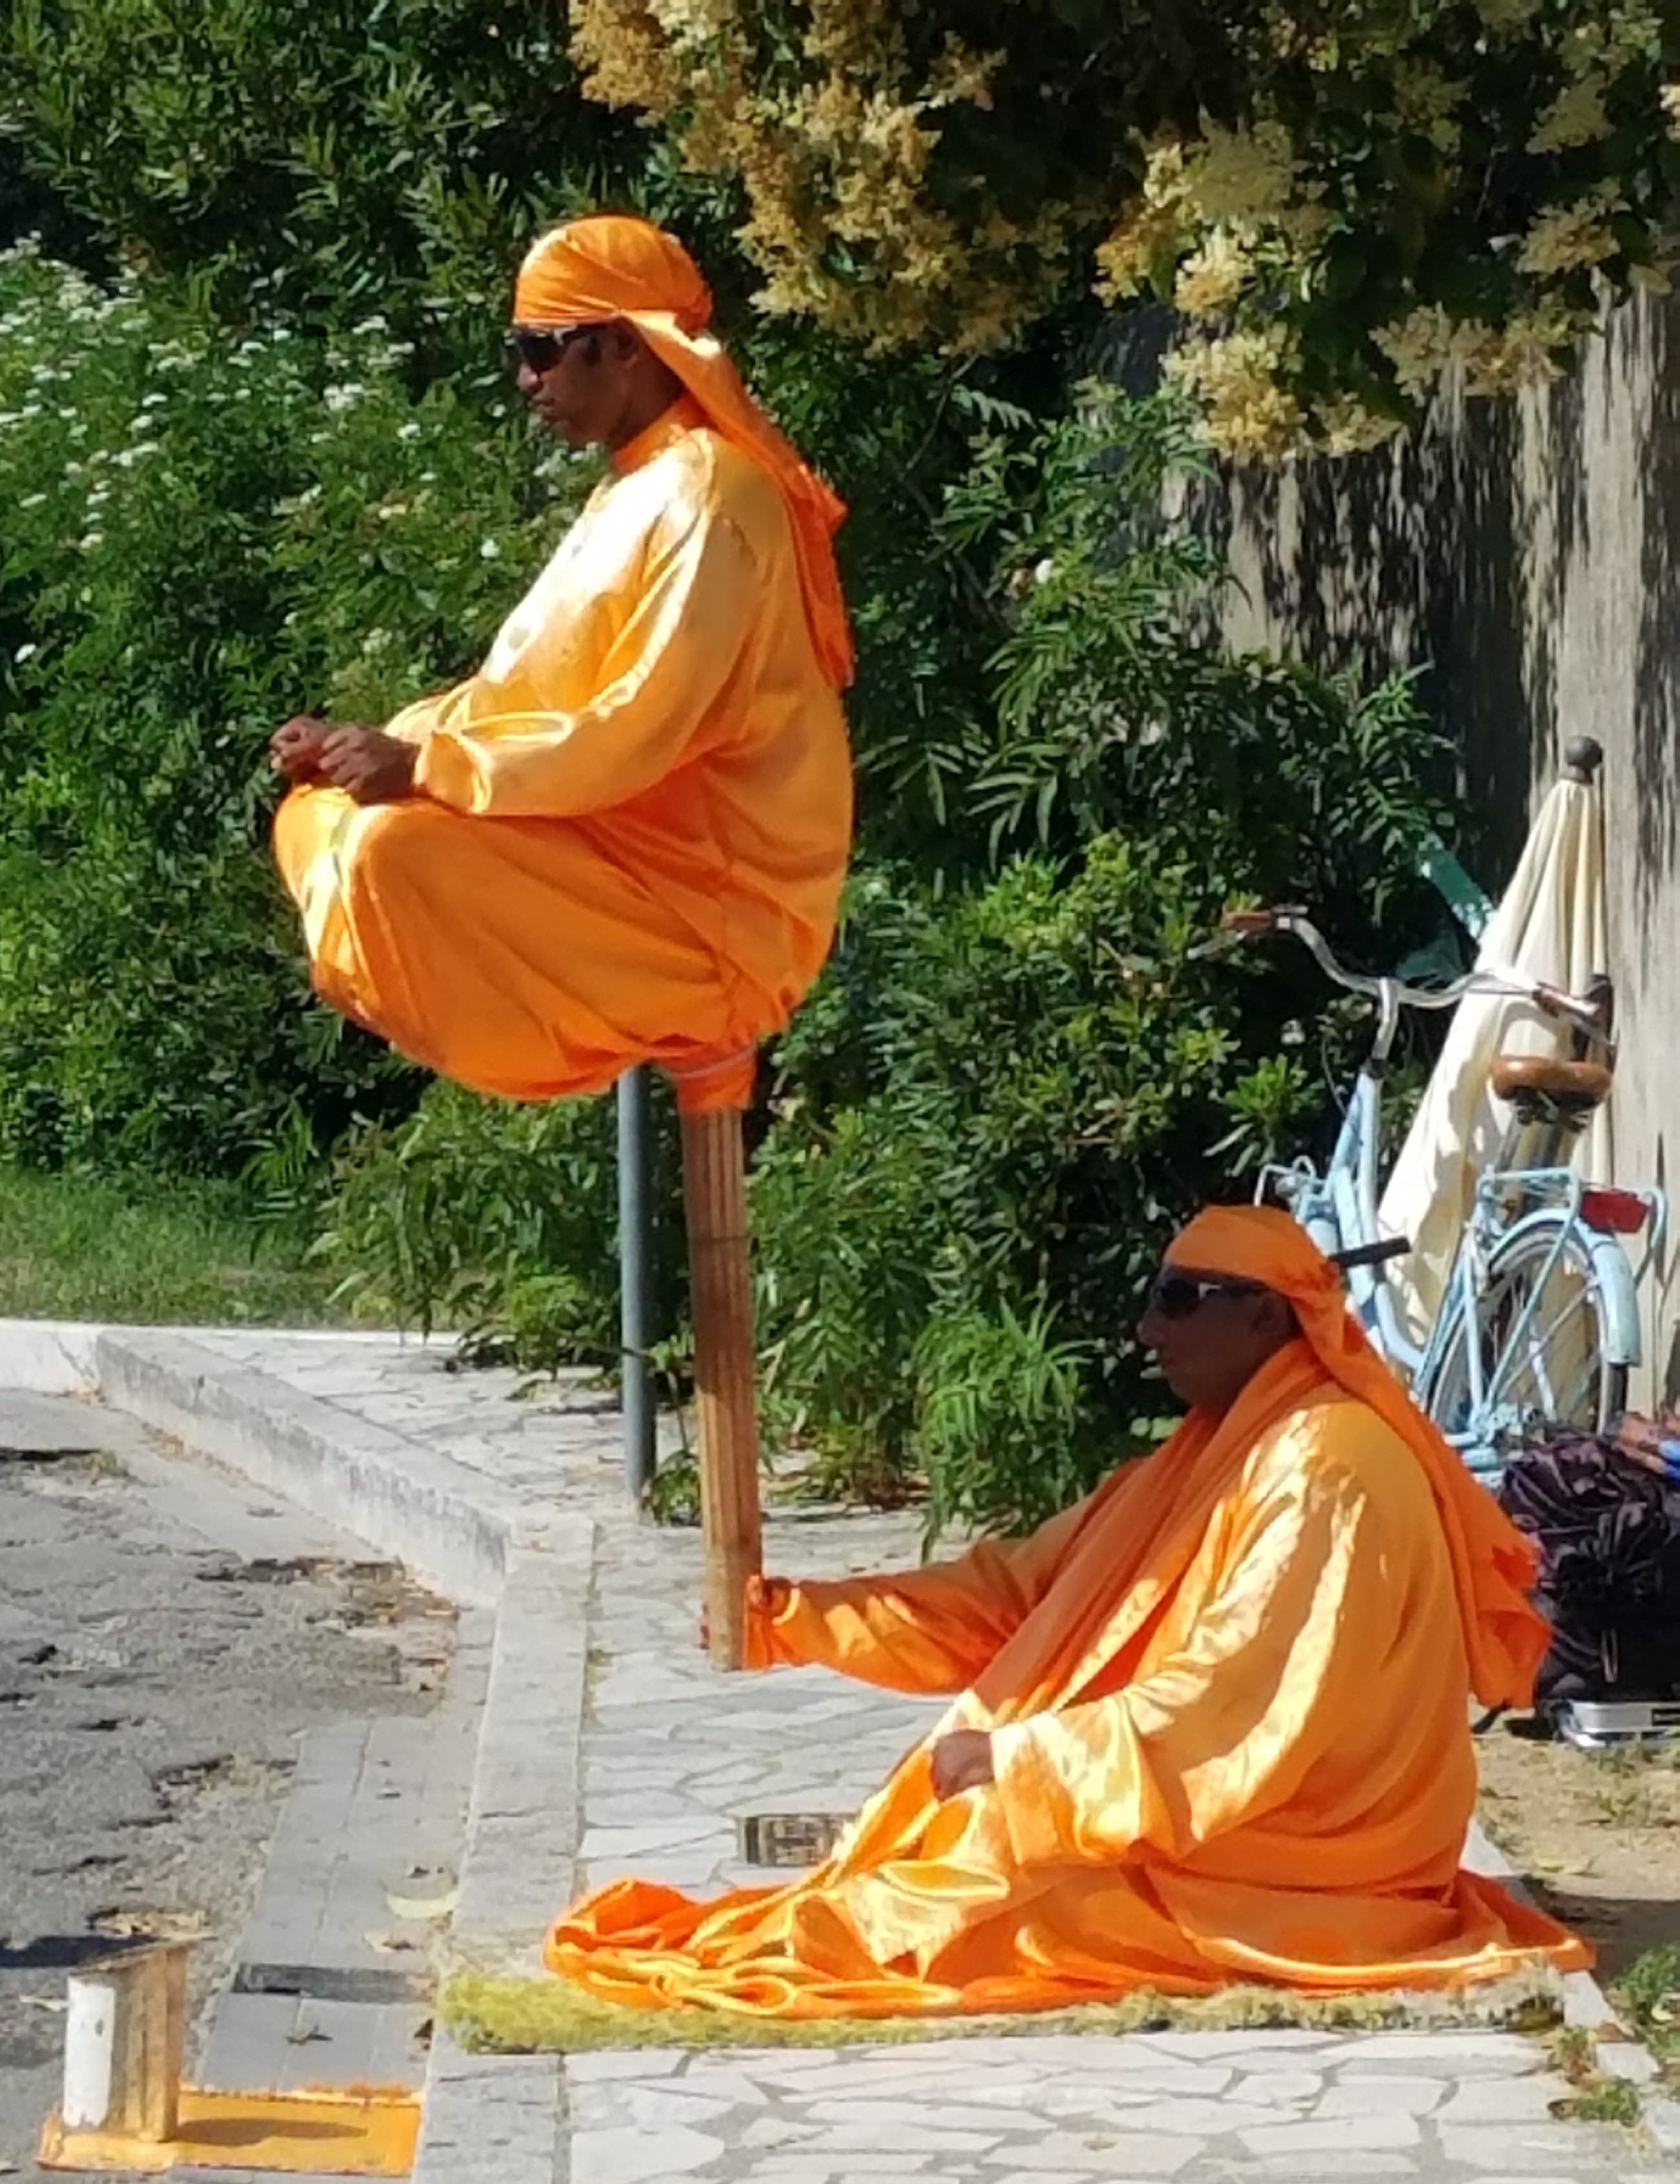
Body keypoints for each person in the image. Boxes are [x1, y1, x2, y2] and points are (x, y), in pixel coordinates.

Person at [546, 1205, 1591, 2017]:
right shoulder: (1203, 1458)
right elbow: (1011, 1602)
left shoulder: (1331, 1465)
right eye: (1157, 1296)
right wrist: (797, 1616)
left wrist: (1027, 1760)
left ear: (1268, 1315)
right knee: (930, 1884)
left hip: (1314, 1859)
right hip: (1227, 1822)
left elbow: (1234, 1702)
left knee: (965, 1920)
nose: (1149, 1327)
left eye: (1183, 1298)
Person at [268, 214, 854, 1119]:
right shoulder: (640, 481)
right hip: (617, 852)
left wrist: (426, 770)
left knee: (390, 852)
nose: (524, 378)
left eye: (542, 348)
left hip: (714, 913)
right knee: (322, 815)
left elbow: (631, 732)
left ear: (621, 346)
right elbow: (525, 697)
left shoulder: (712, 497)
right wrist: (374, 748)